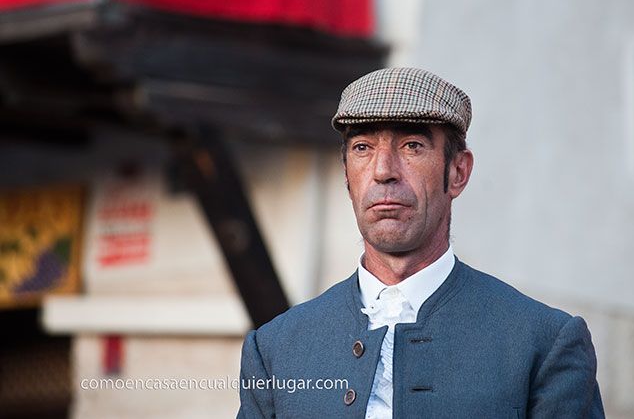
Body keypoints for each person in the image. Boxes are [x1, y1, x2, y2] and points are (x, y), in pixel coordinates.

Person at [236, 67, 604, 418]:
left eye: (412, 146)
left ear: (458, 172)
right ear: (346, 175)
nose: (383, 171)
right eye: (363, 148)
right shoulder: (274, 349)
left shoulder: (544, 343)